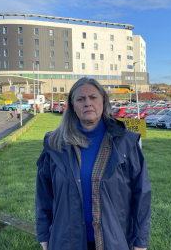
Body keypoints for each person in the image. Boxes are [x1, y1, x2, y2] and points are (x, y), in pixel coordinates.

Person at [35, 78, 151, 250]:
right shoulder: (55, 144)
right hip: (66, 240)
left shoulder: (126, 143)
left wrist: (140, 241)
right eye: (80, 99)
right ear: (72, 106)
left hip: (114, 240)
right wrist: (43, 234)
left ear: (103, 102)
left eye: (93, 97)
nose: (87, 103)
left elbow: (141, 195)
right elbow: (43, 195)